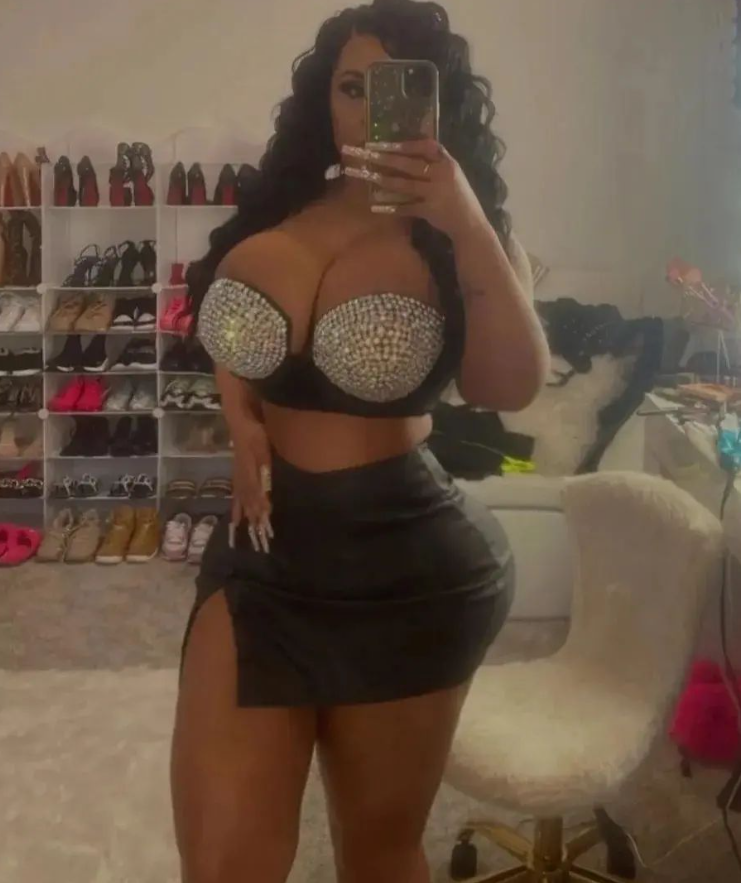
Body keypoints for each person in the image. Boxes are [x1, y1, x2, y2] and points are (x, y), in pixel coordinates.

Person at [170, 1, 549, 881]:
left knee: (377, 854)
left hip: (406, 566)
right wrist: (241, 419)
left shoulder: (464, 236)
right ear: (323, 97)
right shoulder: (277, 206)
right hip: (263, 553)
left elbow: (508, 388)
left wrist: (465, 222)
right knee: (222, 863)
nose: (369, 109)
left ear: (436, 101)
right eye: (350, 87)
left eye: (396, 88)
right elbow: (226, 319)